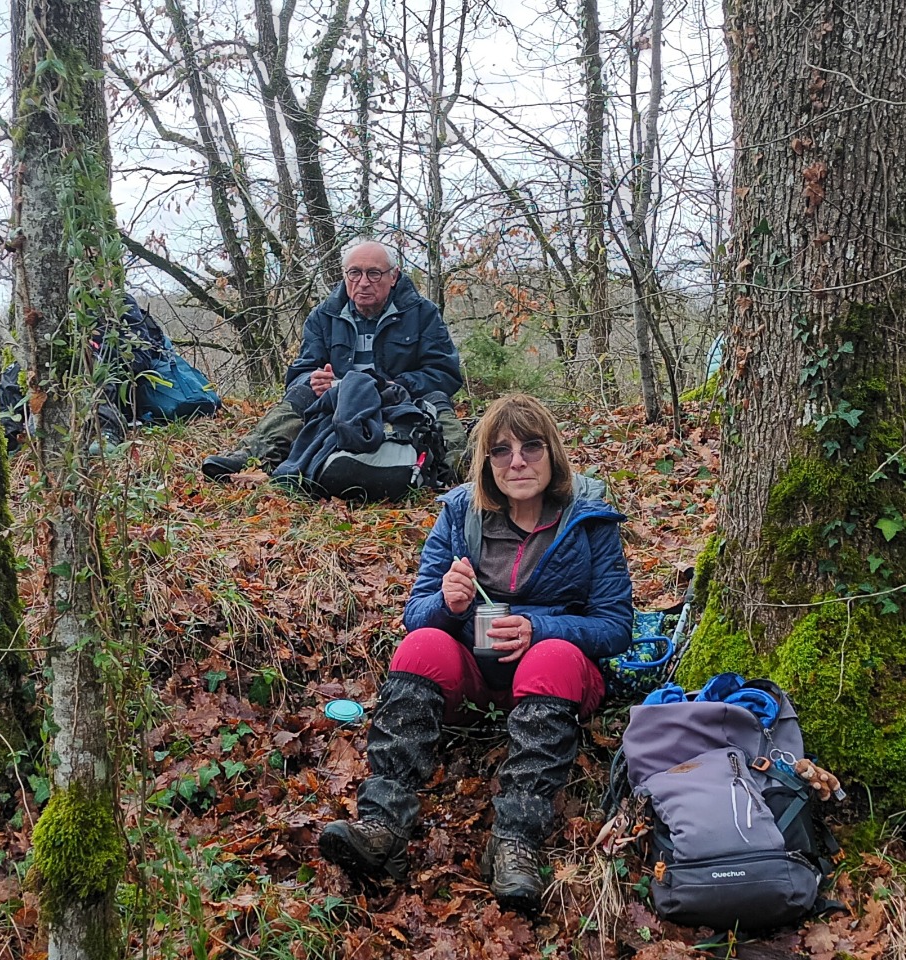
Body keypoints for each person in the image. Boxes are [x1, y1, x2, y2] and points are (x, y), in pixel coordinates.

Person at [318, 394, 631, 913]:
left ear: (552, 453)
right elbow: (416, 614)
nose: (517, 462)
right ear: (486, 462)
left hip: (557, 678)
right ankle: (382, 824)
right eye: (501, 450)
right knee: (421, 646)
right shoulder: (461, 512)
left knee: (551, 656)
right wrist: (449, 603)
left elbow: (616, 626)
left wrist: (539, 627)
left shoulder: (588, 518)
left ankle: (516, 840)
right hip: (475, 678)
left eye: (531, 447)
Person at [202, 238, 467, 480]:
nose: (363, 282)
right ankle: (250, 458)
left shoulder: (422, 313)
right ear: (344, 275)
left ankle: (461, 471)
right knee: (300, 396)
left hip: (401, 397)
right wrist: (314, 380)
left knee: (437, 402)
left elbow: (444, 373)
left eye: (374, 273)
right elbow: (300, 372)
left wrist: (397, 385)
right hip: (339, 399)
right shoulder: (324, 315)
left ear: (393, 276)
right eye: (355, 273)